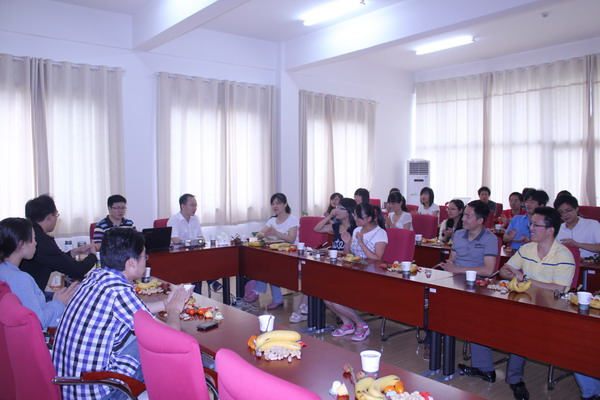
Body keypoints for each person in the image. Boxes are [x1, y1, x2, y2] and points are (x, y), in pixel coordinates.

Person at [52, 228, 191, 400]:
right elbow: (173, 336)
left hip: (69, 387)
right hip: (102, 392)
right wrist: (174, 309)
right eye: (144, 257)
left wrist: (165, 304)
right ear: (132, 262)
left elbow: (138, 314)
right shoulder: (119, 291)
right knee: (157, 348)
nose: (146, 261)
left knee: (140, 335)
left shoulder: (96, 277)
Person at [461, 207, 575, 400]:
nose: (531, 228)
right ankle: (484, 368)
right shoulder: (527, 248)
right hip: (521, 303)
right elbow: (505, 270)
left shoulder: (564, 255)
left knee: (520, 327)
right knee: (479, 314)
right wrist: (510, 272)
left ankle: (515, 380)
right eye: (531, 224)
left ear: (550, 230)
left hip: (549, 310)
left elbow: (559, 288)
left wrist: (526, 279)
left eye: (536, 225)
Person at [285, 198, 359, 324]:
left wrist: (337, 251)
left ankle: (304, 308)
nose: (337, 210)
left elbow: (351, 253)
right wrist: (330, 215)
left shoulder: (355, 229)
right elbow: (317, 229)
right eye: (337, 207)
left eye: (341, 208)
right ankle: (305, 307)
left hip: (346, 265)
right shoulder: (337, 226)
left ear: (349, 212)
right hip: (333, 262)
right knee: (312, 274)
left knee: (317, 276)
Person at [0, 217, 78, 330]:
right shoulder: (20, 279)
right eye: (33, 239)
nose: (36, 243)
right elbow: (37, 321)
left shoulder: (4, 270)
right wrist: (59, 302)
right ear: (21, 244)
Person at [325, 202, 387, 342]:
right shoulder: (357, 230)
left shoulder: (380, 233)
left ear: (369, 218)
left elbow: (377, 258)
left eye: (359, 217)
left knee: (335, 296)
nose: (356, 219)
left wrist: (361, 243)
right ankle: (347, 323)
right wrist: (347, 243)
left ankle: (361, 324)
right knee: (325, 294)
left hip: (371, 275)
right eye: (355, 216)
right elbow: (349, 254)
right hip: (354, 272)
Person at [19, 194, 97, 292]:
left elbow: (55, 262)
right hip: (31, 296)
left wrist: (74, 252)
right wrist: (93, 256)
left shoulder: (29, 233)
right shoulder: (42, 240)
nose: (56, 218)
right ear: (50, 217)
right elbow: (77, 270)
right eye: (56, 215)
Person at [244, 193, 299, 309]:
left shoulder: (292, 219)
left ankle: (257, 290)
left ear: (285, 204)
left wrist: (276, 233)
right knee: (267, 265)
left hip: (290, 253)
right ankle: (277, 299)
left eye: (278, 203)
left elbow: (292, 239)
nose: (275, 206)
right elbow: (258, 234)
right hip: (275, 253)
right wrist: (265, 234)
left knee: (269, 267)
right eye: (273, 204)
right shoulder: (272, 220)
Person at [168, 194, 221, 293]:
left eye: (196, 205)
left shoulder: (195, 218)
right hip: (180, 255)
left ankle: (204, 289)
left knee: (203, 260)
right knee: (198, 265)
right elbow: (175, 240)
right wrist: (190, 242)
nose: (195, 208)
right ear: (183, 206)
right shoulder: (174, 220)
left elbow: (201, 237)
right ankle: (212, 281)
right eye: (192, 205)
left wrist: (199, 242)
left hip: (195, 254)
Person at [438, 200, 497, 277]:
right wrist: (448, 265)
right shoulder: (458, 234)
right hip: (455, 278)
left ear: (480, 221)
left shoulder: (490, 239)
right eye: (463, 215)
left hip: (475, 281)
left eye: (467, 216)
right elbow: (451, 260)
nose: (463, 219)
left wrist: (458, 269)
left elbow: (488, 271)